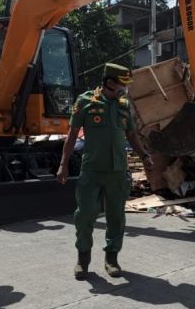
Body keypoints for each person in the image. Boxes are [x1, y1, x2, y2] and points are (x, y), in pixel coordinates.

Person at [56, 63, 154, 280]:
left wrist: (145, 155)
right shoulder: (85, 102)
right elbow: (72, 135)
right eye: (122, 84)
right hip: (91, 170)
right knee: (85, 216)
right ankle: (83, 259)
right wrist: (63, 164)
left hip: (118, 172)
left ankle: (112, 258)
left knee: (116, 217)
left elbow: (131, 134)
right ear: (109, 82)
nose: (125, 89)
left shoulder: (123, 104)